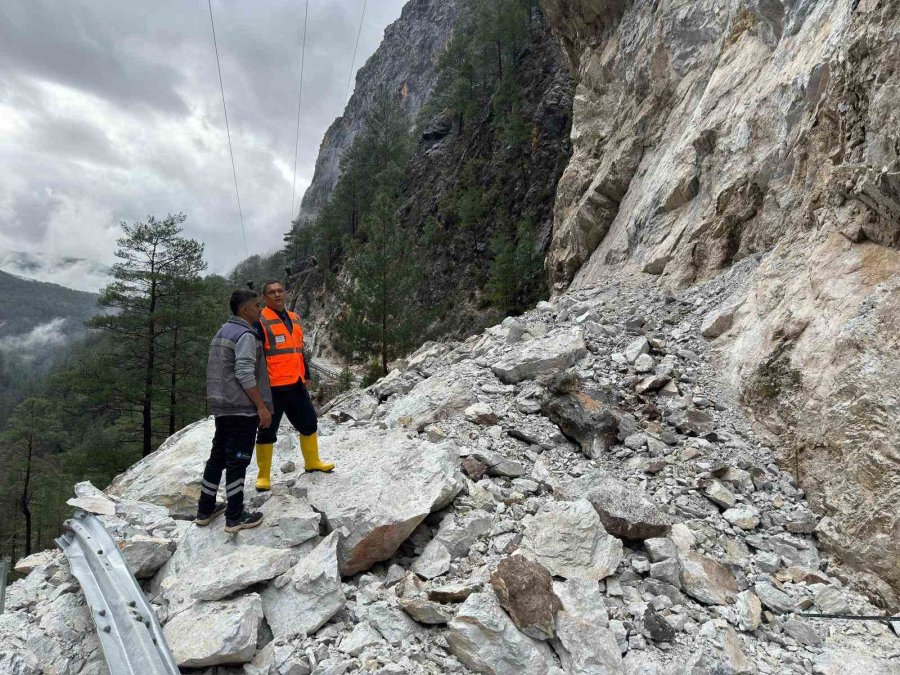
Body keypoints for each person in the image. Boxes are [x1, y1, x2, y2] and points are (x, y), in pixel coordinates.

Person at [195, 289, 274, 532]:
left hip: (222, 405)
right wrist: (261, 406)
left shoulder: (223, 332)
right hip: (241, 408)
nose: (261, 309)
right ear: (245, 310)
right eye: (257, 305)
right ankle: (235, 516)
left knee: (217, 457)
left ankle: (205, 510)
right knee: (238, 460)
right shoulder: (246, 335)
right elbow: (244, 372)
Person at [254, 279, 334, 491]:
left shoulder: (295, 319)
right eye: (272, 292)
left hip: (296, 384)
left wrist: (306, 372)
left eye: (280, 291)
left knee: (309, 423)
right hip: (273, 387)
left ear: (286, 293)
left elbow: (298, 350)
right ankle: (263, 477)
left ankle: (312, 462)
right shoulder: (259, 321)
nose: (277, 294)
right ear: (264, 298)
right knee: (267, 431)